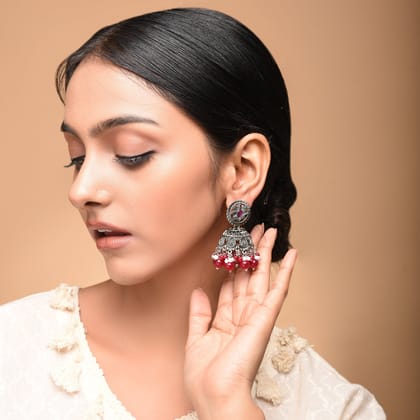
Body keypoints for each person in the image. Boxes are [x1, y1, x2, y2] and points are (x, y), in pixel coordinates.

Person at [0, 7, 385, 420]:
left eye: (131, 153)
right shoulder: (12, 349)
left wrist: (227, 407)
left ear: (242, 170)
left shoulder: (337, 408)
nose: (81, 192)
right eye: (77, 158)